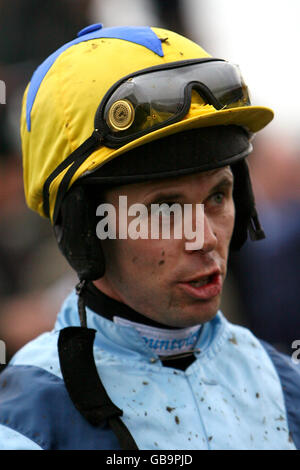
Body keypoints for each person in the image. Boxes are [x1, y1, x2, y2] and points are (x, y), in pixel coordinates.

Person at [0, 24, 299, 451]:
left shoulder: (288, 389)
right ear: (84, 230)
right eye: (165, 209)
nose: (205, 238)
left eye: (218, 195)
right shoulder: (22, 427)